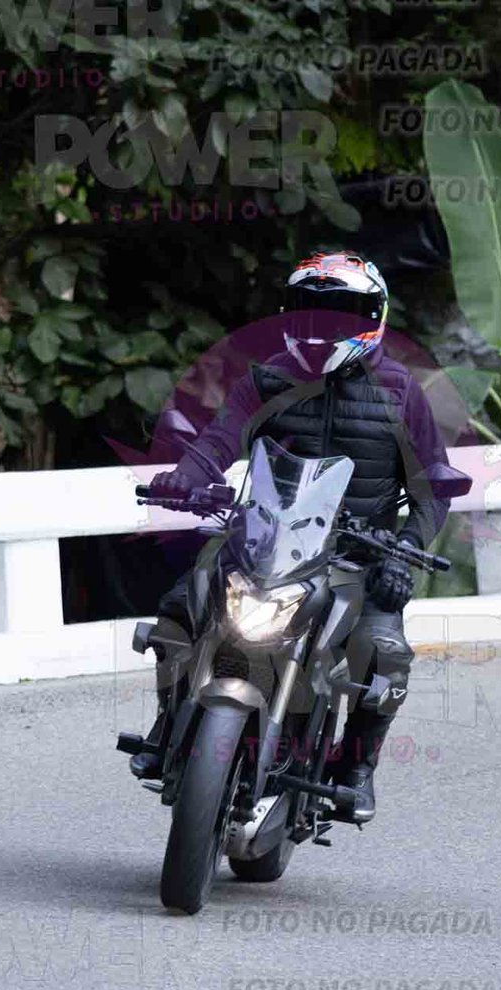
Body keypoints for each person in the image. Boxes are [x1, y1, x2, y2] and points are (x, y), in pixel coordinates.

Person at [129, 250, 451, 823]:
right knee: (180, 608)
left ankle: (356, 766)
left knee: (385, 653)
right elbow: (219, 440)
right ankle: (169, 719)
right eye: (313, 312)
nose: (325, 327)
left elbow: (431, 488)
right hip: (264, 542)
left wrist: (404, 552)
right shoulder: (268, 379)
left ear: (372, 316)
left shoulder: (401, 392)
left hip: (357, 556)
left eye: (341, 313)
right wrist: (186, 477)